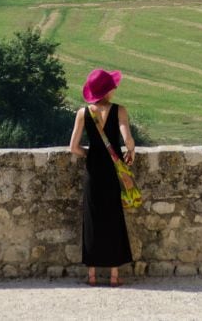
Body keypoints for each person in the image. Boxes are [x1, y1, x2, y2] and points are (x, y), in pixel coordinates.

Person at [68, 68, 135, 286]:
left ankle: (92, 275)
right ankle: (115, 275)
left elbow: (73, 147)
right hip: (112, 170)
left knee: (93, 220)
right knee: (113, 219)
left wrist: (89, 153)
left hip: (93, 169)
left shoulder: (83, 113)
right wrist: (130, 151)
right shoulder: (120, 110)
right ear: (109, 90)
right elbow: (128, 140)